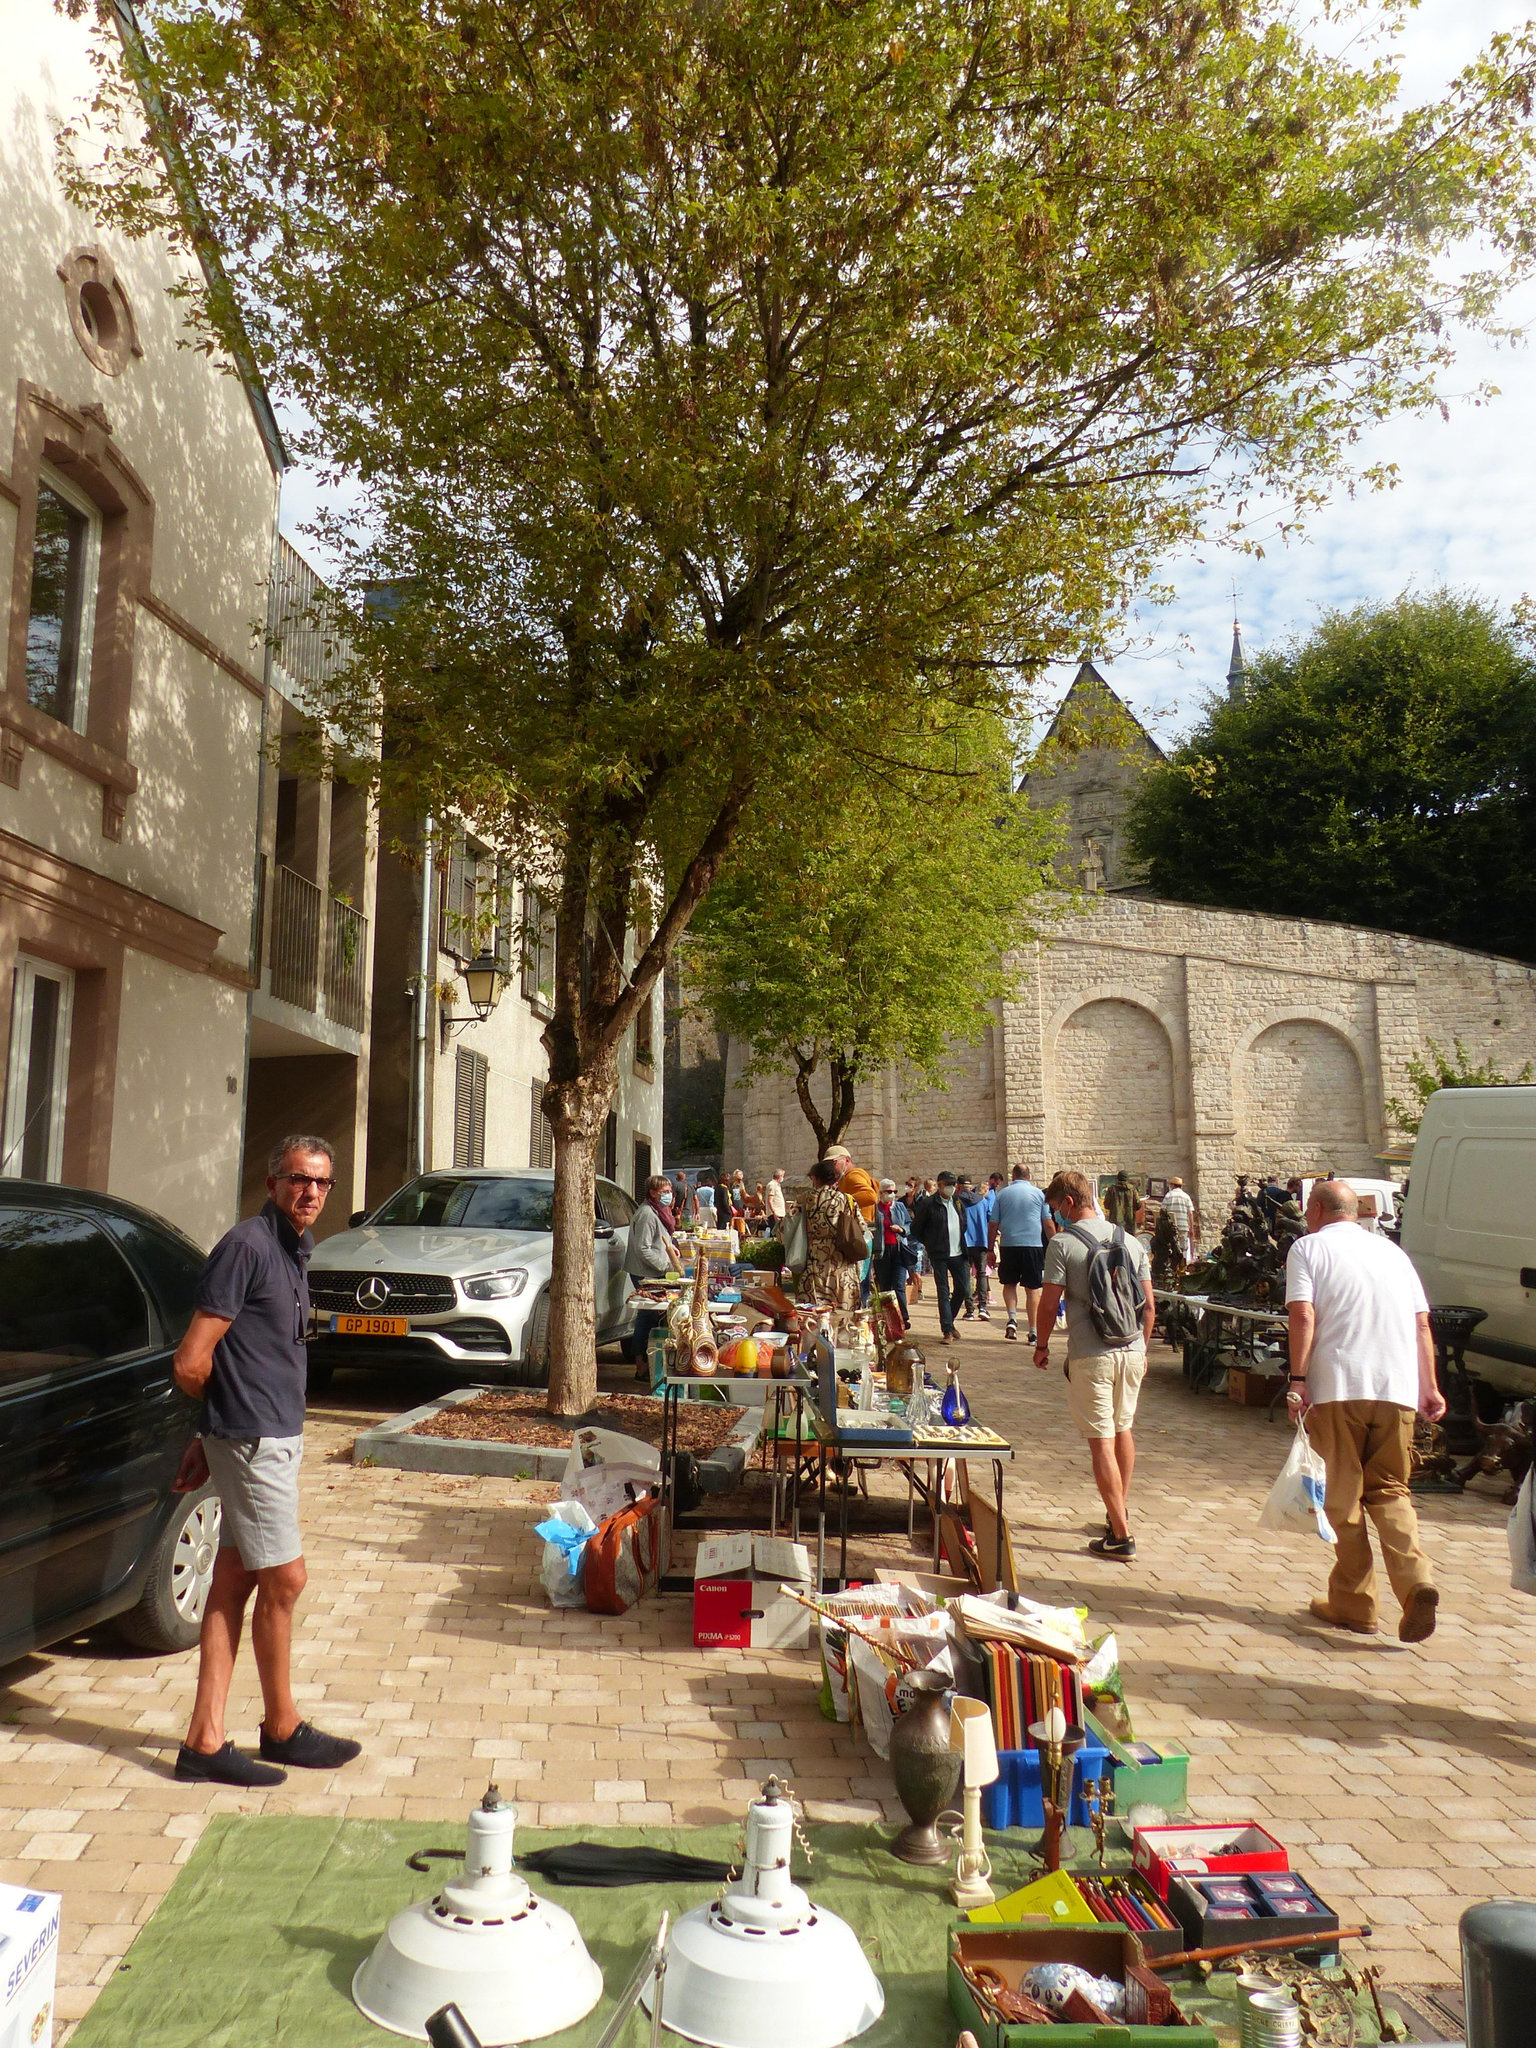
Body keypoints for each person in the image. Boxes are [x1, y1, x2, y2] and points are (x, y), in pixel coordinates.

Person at [172, 1136, 363, 1786]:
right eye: (298, 1179)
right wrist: (223, 1429)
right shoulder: (247, 1247)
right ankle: (282, 1729)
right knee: (285, 1579)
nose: (310, 1192)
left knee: (233, 1580)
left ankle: (204, 1740)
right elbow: (192, 1361)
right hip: (255, 1440)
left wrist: (210, 1437)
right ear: (272, 1181)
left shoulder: (293, 1249)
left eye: (321, 1182)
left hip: (267, 1437)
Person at [1285, 1179, 1443, 1641]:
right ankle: (1416, 1583)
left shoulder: (1308, 1248)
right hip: (1397, 1388)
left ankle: (1355, 1603)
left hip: (1339, 1385)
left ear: (1317, 1210)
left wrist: (1298, 1378)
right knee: (1391, 1491)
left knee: (1343, 1497)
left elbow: (1303, 1314)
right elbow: (1421, 1324)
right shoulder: (1393, 1253)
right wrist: (1429, 1386)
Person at [1034, 1169, 1155, 1562]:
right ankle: (1116, 1511)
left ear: (1069, 1202)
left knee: (1101, 1440)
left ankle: (1121, 1535)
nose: (1055, 1215)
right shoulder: (1130, 1241)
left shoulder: (1063, 1244)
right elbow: (1149, 1308)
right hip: (1131, 1349)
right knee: (1123, 1429)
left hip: (1091, 1353)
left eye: (1056, 1207)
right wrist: (1142, 1350)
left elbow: (1049, 1303)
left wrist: (1042, 1345)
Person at [623, 1173, 683, 1372]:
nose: (669, 1194)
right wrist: (665, 1266)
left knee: (652, 1315)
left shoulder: (659, 1211)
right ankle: (641, 1364)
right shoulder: (647, 1214)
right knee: (646, 1315)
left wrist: (671, 1250)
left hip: (653, 1271)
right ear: (653, 1193)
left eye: (670, 1191)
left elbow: (661, 1239)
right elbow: (643, 1248)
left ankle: (649, 1361)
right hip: (644, 1272)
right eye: (664, 1191)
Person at [989, 1164, 1053, 1343]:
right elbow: (1048, 1223)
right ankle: (1033, 1331)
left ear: (1013, 1176)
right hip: (1033, 1245)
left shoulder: (1002, 1194)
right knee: (1033, 1289)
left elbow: (993, 1223)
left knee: (1009, 1284)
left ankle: (1012, 1318)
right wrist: (1055, 1244)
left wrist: (989, 1249)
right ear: (1029, 1176)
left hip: (1009, 1245)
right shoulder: (1039, 1194)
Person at [910, 1172, 973, 1343]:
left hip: (958, 1252)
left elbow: (963, 1223)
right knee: (943, 1290)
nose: (951, 1187)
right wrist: (930, 1243)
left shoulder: (957, 1202)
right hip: (939, 1254)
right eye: (948, 1184)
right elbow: (916, 1228)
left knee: (964, 1288)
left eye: (953, 1184)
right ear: (939, 1185)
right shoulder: (929, 1204)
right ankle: (947, 1330)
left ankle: (949, 1321)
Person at [801, 1157, 863, 1313]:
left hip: (814, 1261)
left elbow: (785, 1229)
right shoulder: (846, 1199)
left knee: (815, 1313)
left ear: (816, 1178)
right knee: (844, 1313)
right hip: (842, 1261)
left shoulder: (804, 1199)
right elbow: (861, 1228)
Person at [873, 1178, 912, 1329]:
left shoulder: (900, 1207)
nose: (892, 1194)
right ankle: (888, 1318)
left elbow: (909, 1224)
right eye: (889, 1191)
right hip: (882, 1252)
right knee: (885, 1286)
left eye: (894, 1191)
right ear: (881, 1192)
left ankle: (903, 1318)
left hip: (899, 1249)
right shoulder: (875, 1209)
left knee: (899, 1285)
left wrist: (902, 1229)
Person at [958, 1175, 994, 1320]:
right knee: (981, 1273)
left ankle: (969, 1310)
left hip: (963, 1242)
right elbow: (990, 1219)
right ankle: (983, 1307)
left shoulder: (956, 1201)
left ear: (958, 1186)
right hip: (980, 1240)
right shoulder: (982, 1201)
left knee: (966, 1275)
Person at [1160, 1176, 1196, 1262]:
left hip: (1171, 1227)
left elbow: (1162, 1211)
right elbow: (1190, 1213)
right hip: (1183, 1226)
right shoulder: (1186, 1196)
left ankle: (1173, 1265)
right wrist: (1191, 1227)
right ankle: (1182, 1264)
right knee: (1183, 1247)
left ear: (1172, 1185)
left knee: (1171, 1247)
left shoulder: (1168, 1196)